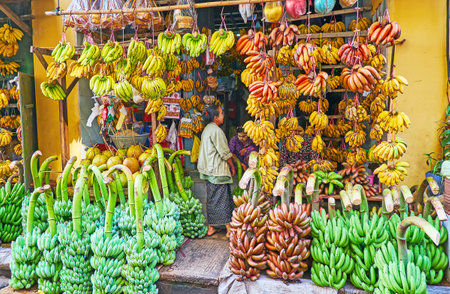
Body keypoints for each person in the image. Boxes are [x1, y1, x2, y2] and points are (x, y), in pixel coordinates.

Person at [197, 104, 236, 237]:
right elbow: (224, 153)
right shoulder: (216, 131)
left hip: (209, 171)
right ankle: (229, 228)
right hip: (217, 170)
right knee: (222, 199)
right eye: (221, 113)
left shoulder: (207, 129)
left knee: (213, 199)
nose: (223, 115)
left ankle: (211, 228)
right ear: (215, 118)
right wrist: (232, 166)